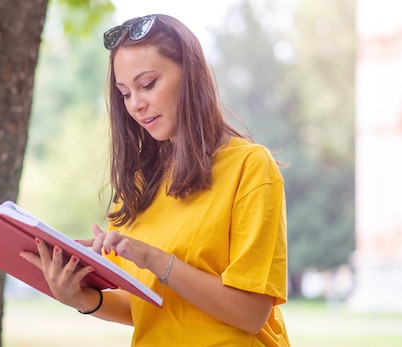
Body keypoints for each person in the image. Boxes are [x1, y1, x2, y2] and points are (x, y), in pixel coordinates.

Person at [20, 13, 290, 346]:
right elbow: (151, 306)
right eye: (125, 93)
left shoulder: (250, 167)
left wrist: (153, 258)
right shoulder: (139, 184)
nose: (136, 105)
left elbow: (250, 313)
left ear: (192, 76)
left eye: (147, 84)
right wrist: (80, 298)